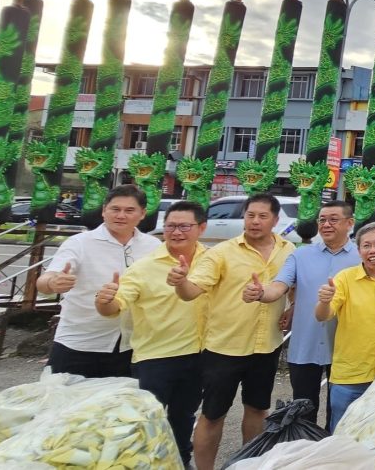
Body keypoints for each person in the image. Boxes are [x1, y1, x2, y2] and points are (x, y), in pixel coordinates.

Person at [167, 193, 295, 470]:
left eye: (262, 216)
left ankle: (248, 465)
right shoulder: (222, 252)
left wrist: (291, 309)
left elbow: (294, 285)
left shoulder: (288, 250)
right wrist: (180, 282)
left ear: (275, 219)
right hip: (224, 347)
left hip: (266, 346)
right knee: (213, 415)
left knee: (258, 409)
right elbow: (192, 291)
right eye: (250, 215)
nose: (255, 222)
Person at [94, 201, 208, 467]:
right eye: (170, 226)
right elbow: (113, 307)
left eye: (184, 226)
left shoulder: (212, 260)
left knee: (184, 417)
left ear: (201, 228)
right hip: (156, 358)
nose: (176, 232)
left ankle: (180, 461)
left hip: (199, 355)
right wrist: (104, 300)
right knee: (146, 422)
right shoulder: (145, 267)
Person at [242, 201, 360, 428]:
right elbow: (279, 286)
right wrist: (260, 292)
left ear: (350, 223)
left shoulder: (361, 256)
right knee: (303, 412)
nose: (326, 225)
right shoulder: (301, 256)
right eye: (322, 220)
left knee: (342, 414)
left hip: (347, 348)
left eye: (333, 219)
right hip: (306, 344)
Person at [38, 185, 160, 378]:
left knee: (120, 406)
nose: (121, 215)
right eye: (115, 209)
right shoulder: (79, 243)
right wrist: (53, 283)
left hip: (130, 346)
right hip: (79, 342)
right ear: (104, 211)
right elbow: (45, 280)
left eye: (129, 210)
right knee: (64, 404)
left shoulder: (153, 246)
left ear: (142, 213)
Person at [315, 222, 375, 432]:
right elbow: (323, 315)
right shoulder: (344, 279)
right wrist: (324, 301)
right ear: (359, 251)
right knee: (342, 436)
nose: (373, 250)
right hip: (350, 376)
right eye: (366, 246)